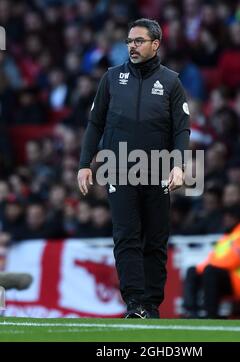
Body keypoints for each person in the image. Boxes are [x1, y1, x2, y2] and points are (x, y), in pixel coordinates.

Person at [78, 19, 190, 318]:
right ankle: (135, 303)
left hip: (156, 169)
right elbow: (94, 124)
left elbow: (182, 130)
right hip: (118, 167)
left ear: (155, 44)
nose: (132, 46)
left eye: (139, 41)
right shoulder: (111, 78)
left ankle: (152, 305)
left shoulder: (171, 82)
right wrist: (84, 165)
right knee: (126, 236)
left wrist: (179, 166)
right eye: (129, 41)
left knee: (155, 239)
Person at [182, 205, 240, 318]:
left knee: (210, 272)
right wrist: (199, 269)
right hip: (229, 278)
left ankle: (211, 315)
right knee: (192, 271)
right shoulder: (230, 235)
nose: (225, 220)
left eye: (229, 216)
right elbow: (213, 259)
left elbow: (231, 262)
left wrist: (206, 268)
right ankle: (190, 313)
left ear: (237, 218)